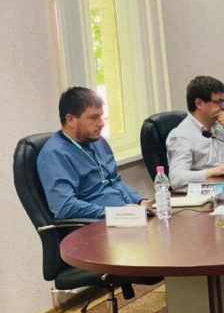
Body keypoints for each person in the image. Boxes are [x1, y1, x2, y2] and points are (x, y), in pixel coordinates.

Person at [37, 87, 149, 219]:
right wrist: (115, 213)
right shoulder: (55, 154)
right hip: (98, 224)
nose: (101, 124)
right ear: (71, 119)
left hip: (126, 215)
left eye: (101, 116)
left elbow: (115, 181)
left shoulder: (98, 141)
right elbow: (64, 207)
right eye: (94, 118)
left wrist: (140, 201)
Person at [166, 76, 224, 190]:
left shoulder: (222, 126)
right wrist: (211, 172)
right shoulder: (181, 135)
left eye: (223, 101)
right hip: (204, 195)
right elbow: (176, 179)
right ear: (199, 103)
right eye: (218, 102)